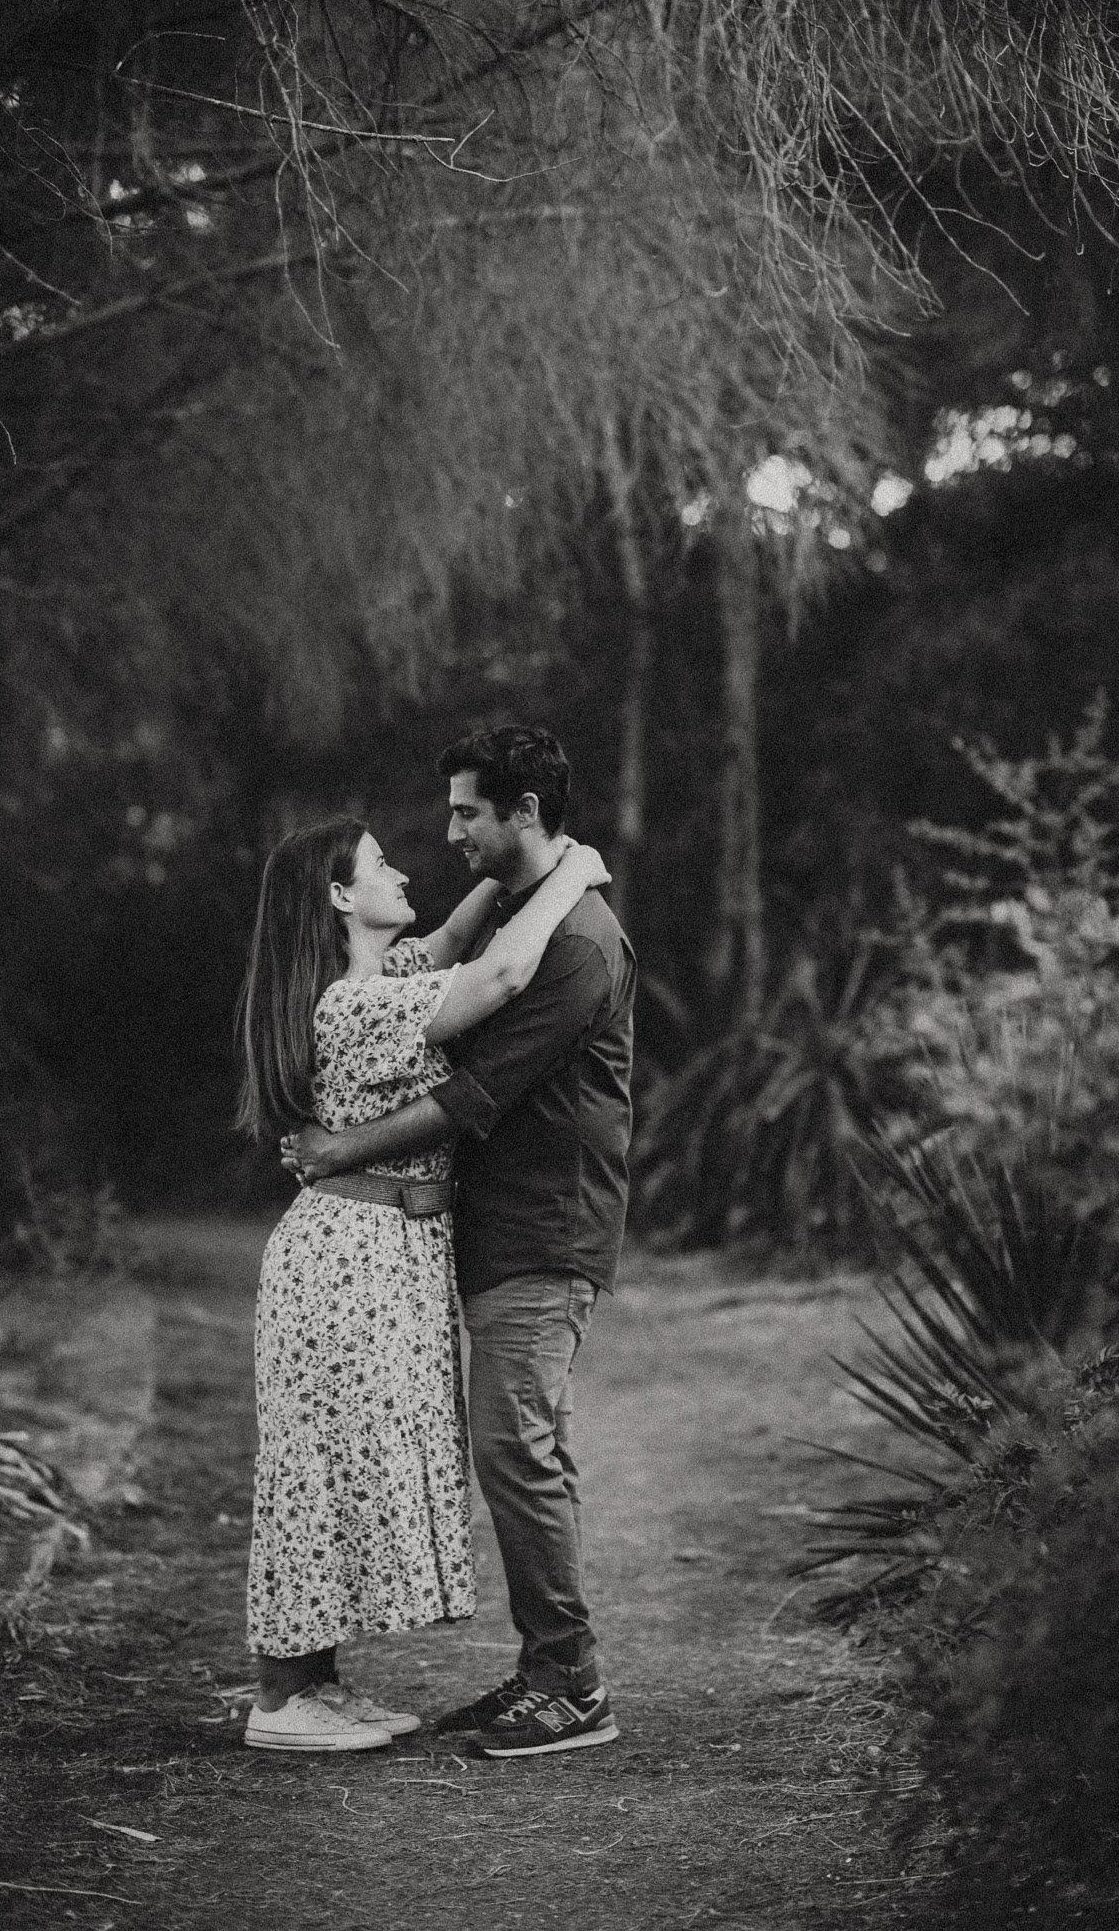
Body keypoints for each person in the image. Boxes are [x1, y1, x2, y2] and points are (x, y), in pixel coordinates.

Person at [284, 727, 635, 1761]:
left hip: (545, 1229)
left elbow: (475, 1093)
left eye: (467, 812)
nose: (449, 833)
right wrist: (555, 870)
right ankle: (549, 1669)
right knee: (527, 1450)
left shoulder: (577, 943)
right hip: (503, 1230)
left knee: (516, 1452)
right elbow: (454, 961)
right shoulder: (534, 912)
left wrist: (342, 1146)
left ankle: (571, 1686)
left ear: (523, 811)